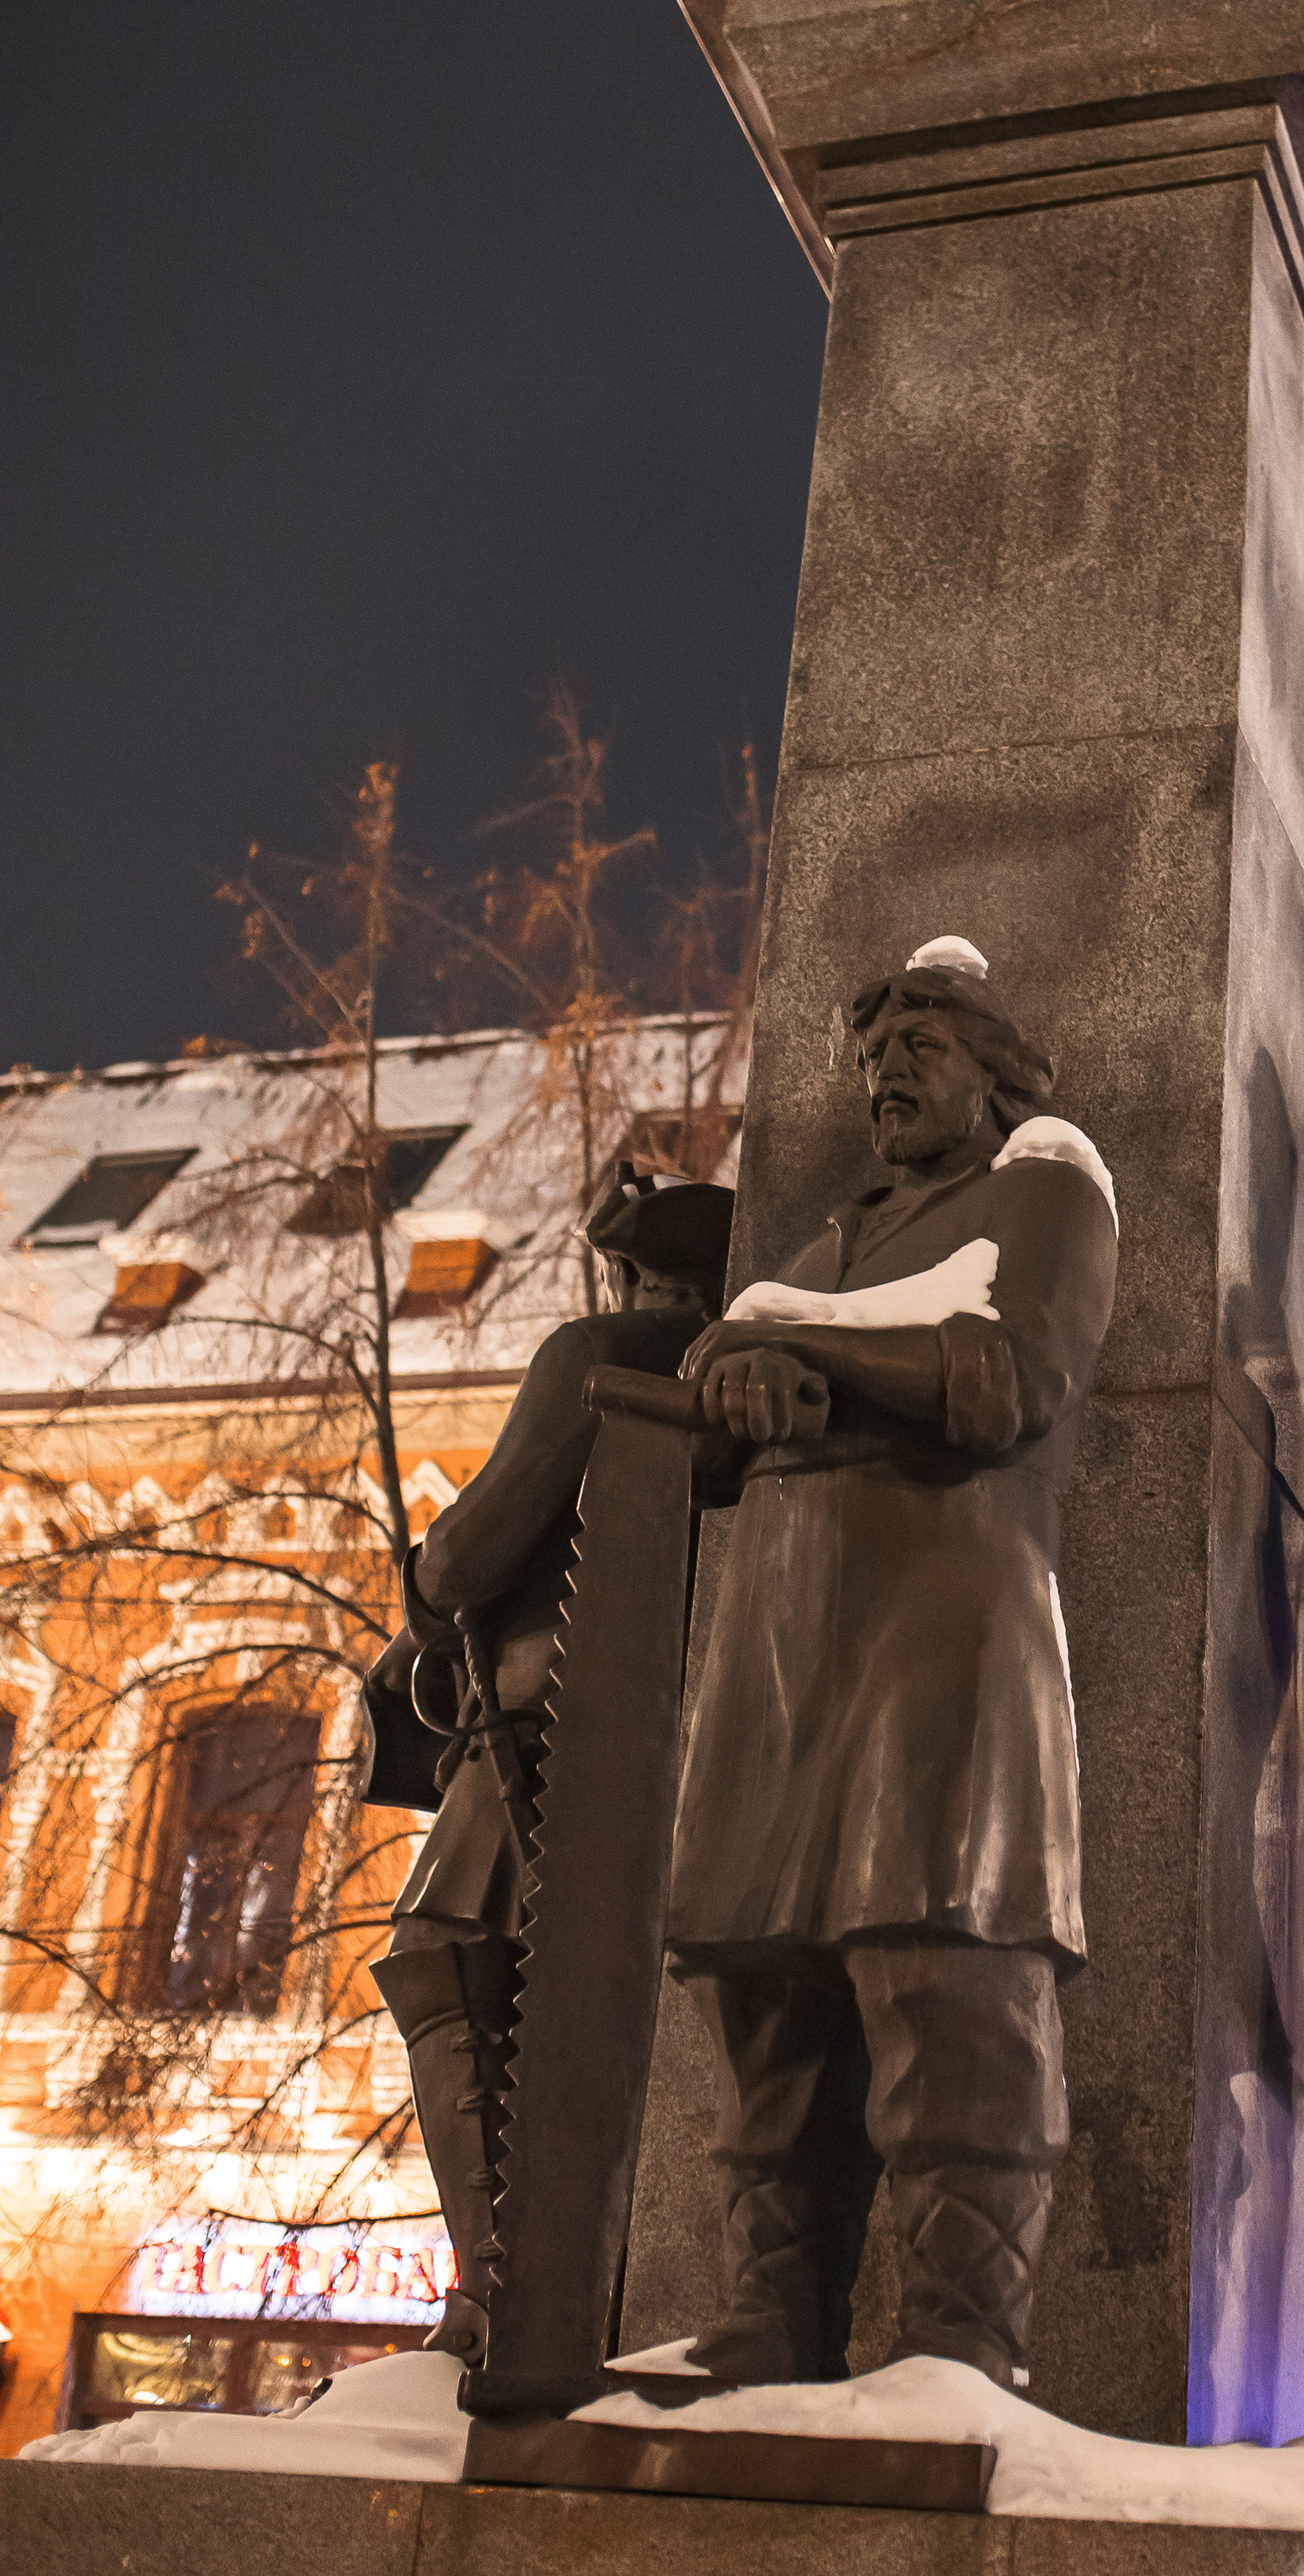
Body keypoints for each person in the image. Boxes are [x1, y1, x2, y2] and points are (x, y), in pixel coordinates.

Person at [668, 936, 1117, 2391]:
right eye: (871, 1068)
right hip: (789, 1642)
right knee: (771, 1996)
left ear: (992, 1072)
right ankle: (772, 2314)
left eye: (917, 1057)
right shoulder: (842, 1239)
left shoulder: (1047, 1184)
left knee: (949, 1980)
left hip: (945, 1630)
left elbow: (1000, 1375)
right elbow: (725, 1375)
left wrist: (796, 1348)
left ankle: (959, 2340)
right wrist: (744, 1373)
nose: (885, 1087)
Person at [361, 1169, 736, 2364]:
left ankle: (493, 2288)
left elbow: (471, 1556)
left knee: (442, 1964)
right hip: (695, 1721)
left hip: (540, 1718)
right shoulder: (744, 1369)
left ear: (636, 1270)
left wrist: (421, 1582)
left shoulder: (601, 1347)